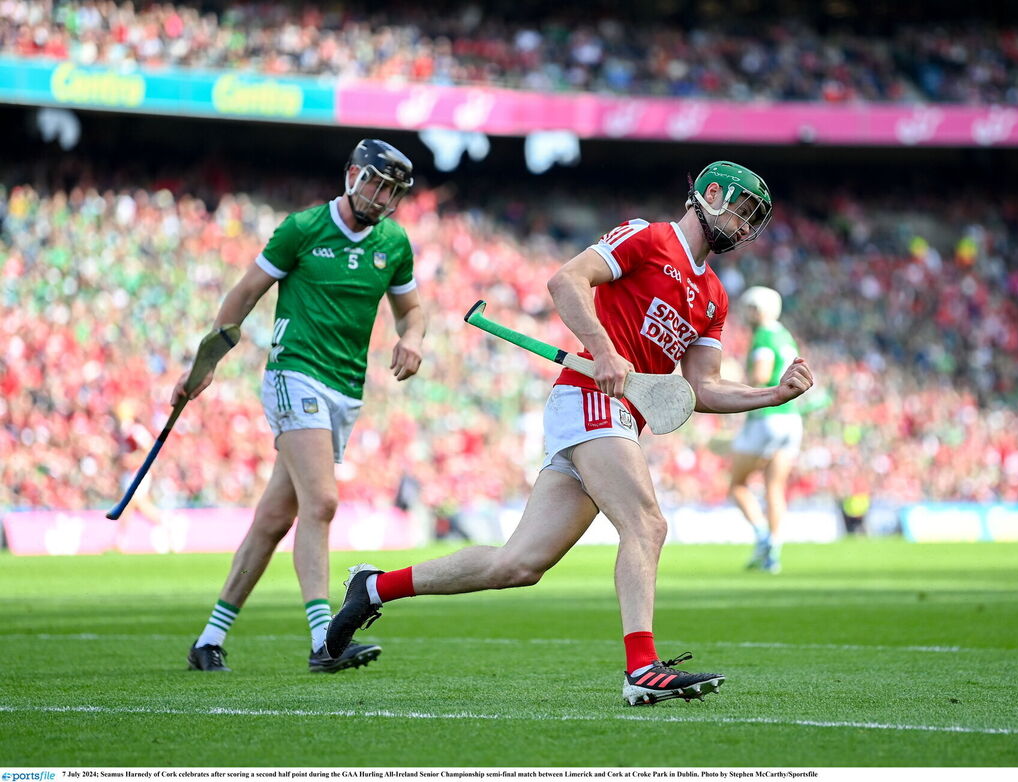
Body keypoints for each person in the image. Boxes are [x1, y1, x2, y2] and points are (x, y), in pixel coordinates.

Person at [324, 161, 815, 705]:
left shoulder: (715, 298)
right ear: (711, 194)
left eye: (753, 221)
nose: (745, 227)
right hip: (588, 400)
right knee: (647, 524)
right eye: (741, 211)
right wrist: (605, 350)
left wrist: (772, 395)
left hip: (617, 417)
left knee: (519, 564)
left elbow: (700, 388)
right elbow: (566, 279)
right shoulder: (648, 237)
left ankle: (373, 586)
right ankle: (642, 667)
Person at [176, 139, 426, 674]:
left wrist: (414, 338)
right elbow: (245, 294)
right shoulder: (302, 229)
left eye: (393, 192)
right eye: (376, 184)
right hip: (295, 374)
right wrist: (206, 363)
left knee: (273, 519)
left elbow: (412, 309)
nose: (382, 198)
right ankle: (324, 641)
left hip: (345, 390)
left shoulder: (394, 243)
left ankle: (208, 640)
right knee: (323, 502)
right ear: (352, 175)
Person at [728, 286, 803, 573]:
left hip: (765, 418)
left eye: (750, 308)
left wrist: (736, 378)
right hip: (790, 419)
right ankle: (774, 551)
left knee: (738, 484)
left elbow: (760, 375)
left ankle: (762, 537)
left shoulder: (763, 335)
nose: (747, 314)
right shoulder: (785, 335)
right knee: (775, 486)